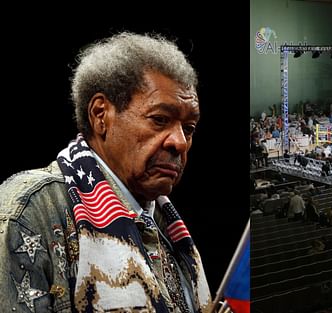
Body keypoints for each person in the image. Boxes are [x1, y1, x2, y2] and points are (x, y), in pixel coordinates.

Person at [0, 33, 214, 313]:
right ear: (101, 115)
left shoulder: (167, 224)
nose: (180, 142)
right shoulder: (29, 210)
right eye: (160, 120)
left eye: (189, 129)